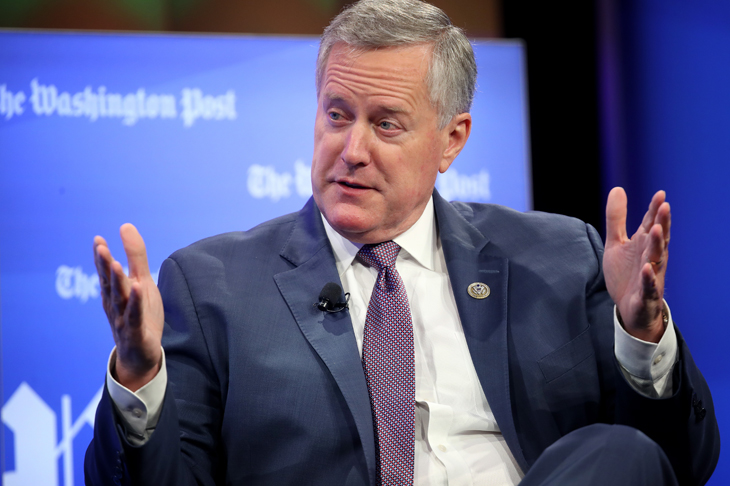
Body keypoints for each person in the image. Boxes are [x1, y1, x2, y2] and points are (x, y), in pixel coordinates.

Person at [85, 0, 720, 485]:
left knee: (618, 451)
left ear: (452, 139)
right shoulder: (213, 285)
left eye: (386, 124)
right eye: (337, 115)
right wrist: (139, 375)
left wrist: (642, 338)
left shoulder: (556, 258)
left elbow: (679, 464)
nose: (351, 150)